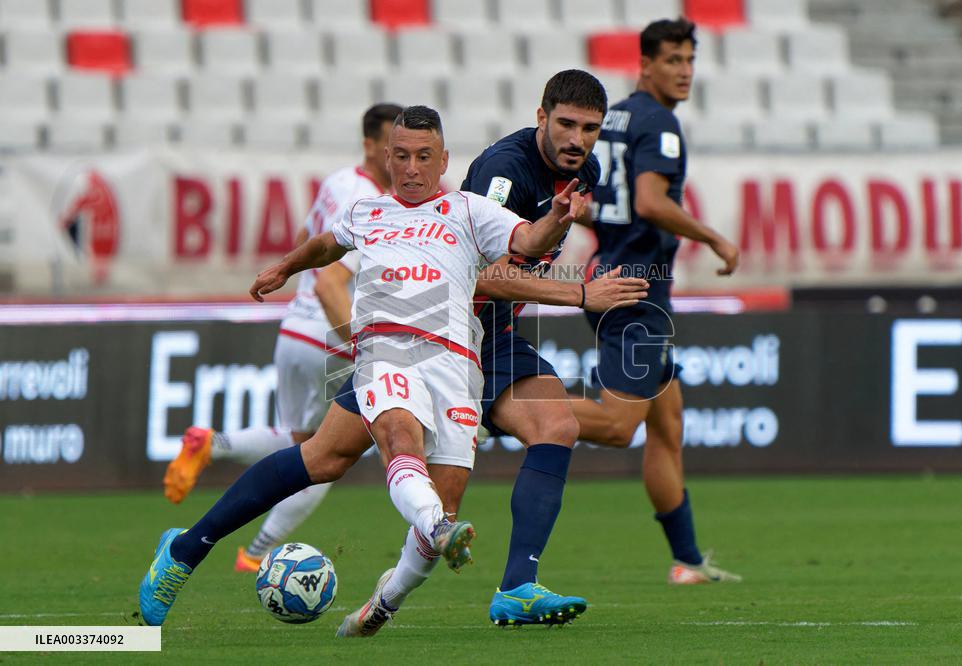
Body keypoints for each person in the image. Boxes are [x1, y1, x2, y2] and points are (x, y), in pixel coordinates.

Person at [137, 105, 588, 629]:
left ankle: (384, 602)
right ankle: (188, 552)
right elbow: (326, 245)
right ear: (386, 157)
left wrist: (556, 218)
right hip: (385, 350)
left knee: (330, 462)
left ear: (443, 161)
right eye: (402, 156)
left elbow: (528, 241)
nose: (412, 168)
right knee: (400, 440)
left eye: (424, 157)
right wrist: (286, 266)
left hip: (455, 365)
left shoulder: (470, 211)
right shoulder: (367, 212)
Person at [332, 69, 616, 627]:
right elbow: (483, 275)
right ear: (541, 116)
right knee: (319, 460)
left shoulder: (586, 173)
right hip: (434, 335)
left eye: (590, 129)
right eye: (566, 124)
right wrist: (581, 294)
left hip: (494, 336)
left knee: (557, 426)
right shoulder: (503, 172)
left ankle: (517, 587)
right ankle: (189, 547)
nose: (578, 139)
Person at [161, 103, 402, 573]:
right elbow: (332, 282)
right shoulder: (373, 205)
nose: (401, 159)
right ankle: (254, 553)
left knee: (299, 442)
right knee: (325, 459)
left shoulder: (337, 182)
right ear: (371, 145)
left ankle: (212, 443)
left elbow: (305, 239)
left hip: (294, 329)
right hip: (331, 334)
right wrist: (361, 347)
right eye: (393, 147)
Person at [570, 18, 742, 584]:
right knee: (619, 426)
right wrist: (712, 237)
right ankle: (492, 413)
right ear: (645, 64)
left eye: (690, 60)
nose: (685, 71)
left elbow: (601, 206)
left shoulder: (615, 117)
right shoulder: (659, 122)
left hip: (615, 278)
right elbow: (648, 202)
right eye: (672, 60)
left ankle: (687, 561)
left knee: (667, 424)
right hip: (637, 293)